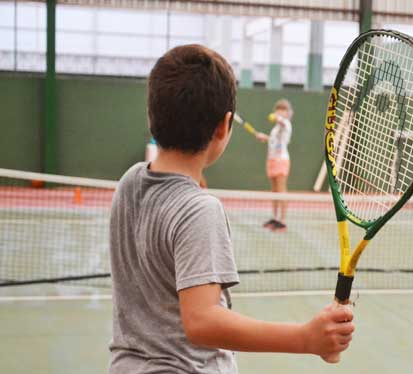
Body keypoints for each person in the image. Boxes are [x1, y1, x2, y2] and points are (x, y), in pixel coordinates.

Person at [109, 44, 353, 373]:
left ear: (152, 115)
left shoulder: (129, 182)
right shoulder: (199, 211)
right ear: (224, 127)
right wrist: (305, 338)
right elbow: (201, 321)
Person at [254, 100, 293, 232]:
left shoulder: (285, 124)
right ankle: (275, 218)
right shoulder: (275, 129)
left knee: (281, 191)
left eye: (283, 110)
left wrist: (278, 117)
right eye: (278, 109)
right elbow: (273, 141)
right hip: (271, 160)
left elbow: (282, 121)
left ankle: (283, 221)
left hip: (281, 160)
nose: (279, 112)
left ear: (287, 113)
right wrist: (264, 137)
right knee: (275, 191)